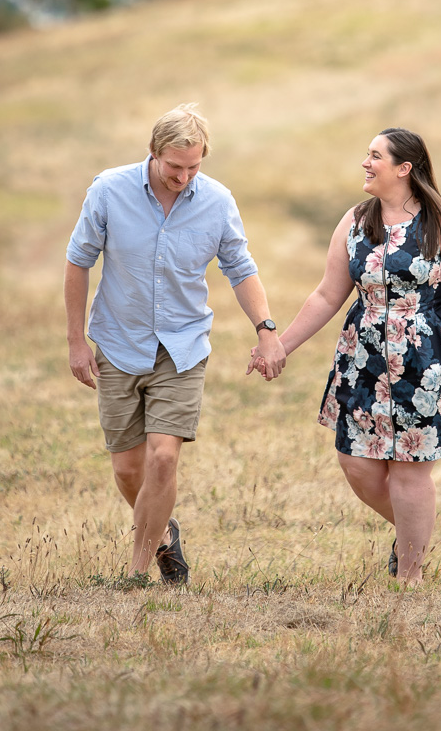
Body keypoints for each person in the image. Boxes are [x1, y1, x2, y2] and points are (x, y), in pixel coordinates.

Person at [249, 127, 441, 585]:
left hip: (429, 362)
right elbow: (328, 294)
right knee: (357, 463)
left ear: (404, 168)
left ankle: (409, 577)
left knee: (409, 474)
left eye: (375, 156)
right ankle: (415, 532)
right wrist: (280, 345)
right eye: (367, 155)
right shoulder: (355, 221)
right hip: (365, 360)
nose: (366, 164)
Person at [66, 102, 285, 584]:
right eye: (174, 167)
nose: (184, 177)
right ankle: (164, 534)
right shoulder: (109, 191)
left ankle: (138, 572)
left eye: (194, 167)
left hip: (182, 348)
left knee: (163, 456)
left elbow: (241, 269)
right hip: (119, 343)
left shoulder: (217, 200)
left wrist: (266, 331)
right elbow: (78, 262)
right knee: (128, 470)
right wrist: (76, 343)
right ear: (153, 153)